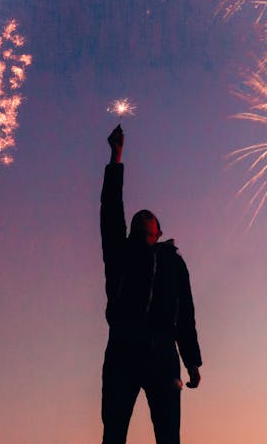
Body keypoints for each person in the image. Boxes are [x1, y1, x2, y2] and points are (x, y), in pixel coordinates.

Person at [99, 124, 202, 444]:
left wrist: (192, 361)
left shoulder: (173, 262)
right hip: (123, 347)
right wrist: (116, 159)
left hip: (162, 352)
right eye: (136, 223)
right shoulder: (120, 254)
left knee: (168, 436)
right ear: (130, 233)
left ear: (158, 232)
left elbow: (185, 313)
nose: (142, 218)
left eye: (148, 223)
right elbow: (110, 213)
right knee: (114, 433)